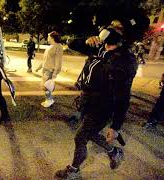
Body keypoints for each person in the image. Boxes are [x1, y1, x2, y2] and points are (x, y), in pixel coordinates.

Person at [55, 16, 149, 179]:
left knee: (80, 137)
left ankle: (74, 170)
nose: (111, 28)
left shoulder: (126, 60)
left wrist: (116, 126)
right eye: (111, 25)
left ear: (124, 35)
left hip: (103, 107)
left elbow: (123, 96)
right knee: (90, 133)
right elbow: (70, 43)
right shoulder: (98, 47)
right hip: (87, 101)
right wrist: (87, 41)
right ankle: (114, 152)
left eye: (117, 27)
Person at [35, 31, 63, 108]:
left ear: (52, 38)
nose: (47, 38)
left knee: (47, 86)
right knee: (45, 86)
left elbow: (58, 60)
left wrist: (55, 72)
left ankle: (49, 100)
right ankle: (48, 99)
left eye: (48, 37)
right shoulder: (50, 46)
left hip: (50, 70)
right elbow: (45, 59)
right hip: (45, 69)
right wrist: (39, 67)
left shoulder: (58, 46)